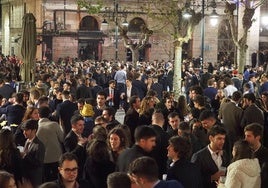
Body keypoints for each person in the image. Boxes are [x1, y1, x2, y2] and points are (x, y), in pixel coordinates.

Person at [37, 106, 64, 182]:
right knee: (58, 178)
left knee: (46, 179)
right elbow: (62, 138)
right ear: (49, 115)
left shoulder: (36, 127)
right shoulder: (54, 125)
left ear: (39, 115)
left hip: (43, 158)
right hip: (56, 157)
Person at [21, 119, 45, 187]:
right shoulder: (27, 141)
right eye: (23, 130)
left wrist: (25, 155)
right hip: (26, 176)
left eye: (26, 130)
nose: (24, 132)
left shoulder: (39, 145)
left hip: (34, 178)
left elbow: (39, 163)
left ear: (34, 130)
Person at [244, 123, 268, 188]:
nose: (245, 139)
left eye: (248, 136)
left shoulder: (266, 154)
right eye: (245, 136)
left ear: (257, 137)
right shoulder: (243, 152)